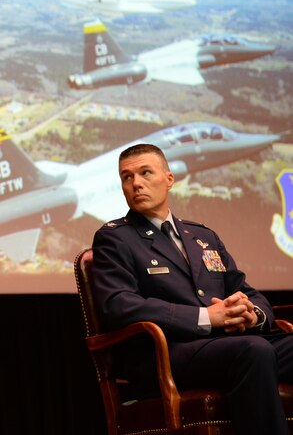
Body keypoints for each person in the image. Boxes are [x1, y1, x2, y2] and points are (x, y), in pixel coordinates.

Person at [91, 143, 293, 435]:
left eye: (145, 173)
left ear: (169, 179)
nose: (136, 183)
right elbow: (118, 305)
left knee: (262, 346)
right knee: (254, 351)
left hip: (227, 344)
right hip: (167, 353)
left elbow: (245, 291)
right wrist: (206, 318)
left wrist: (253, 314)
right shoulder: (115, 238)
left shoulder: (201, 235)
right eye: (127, 177)